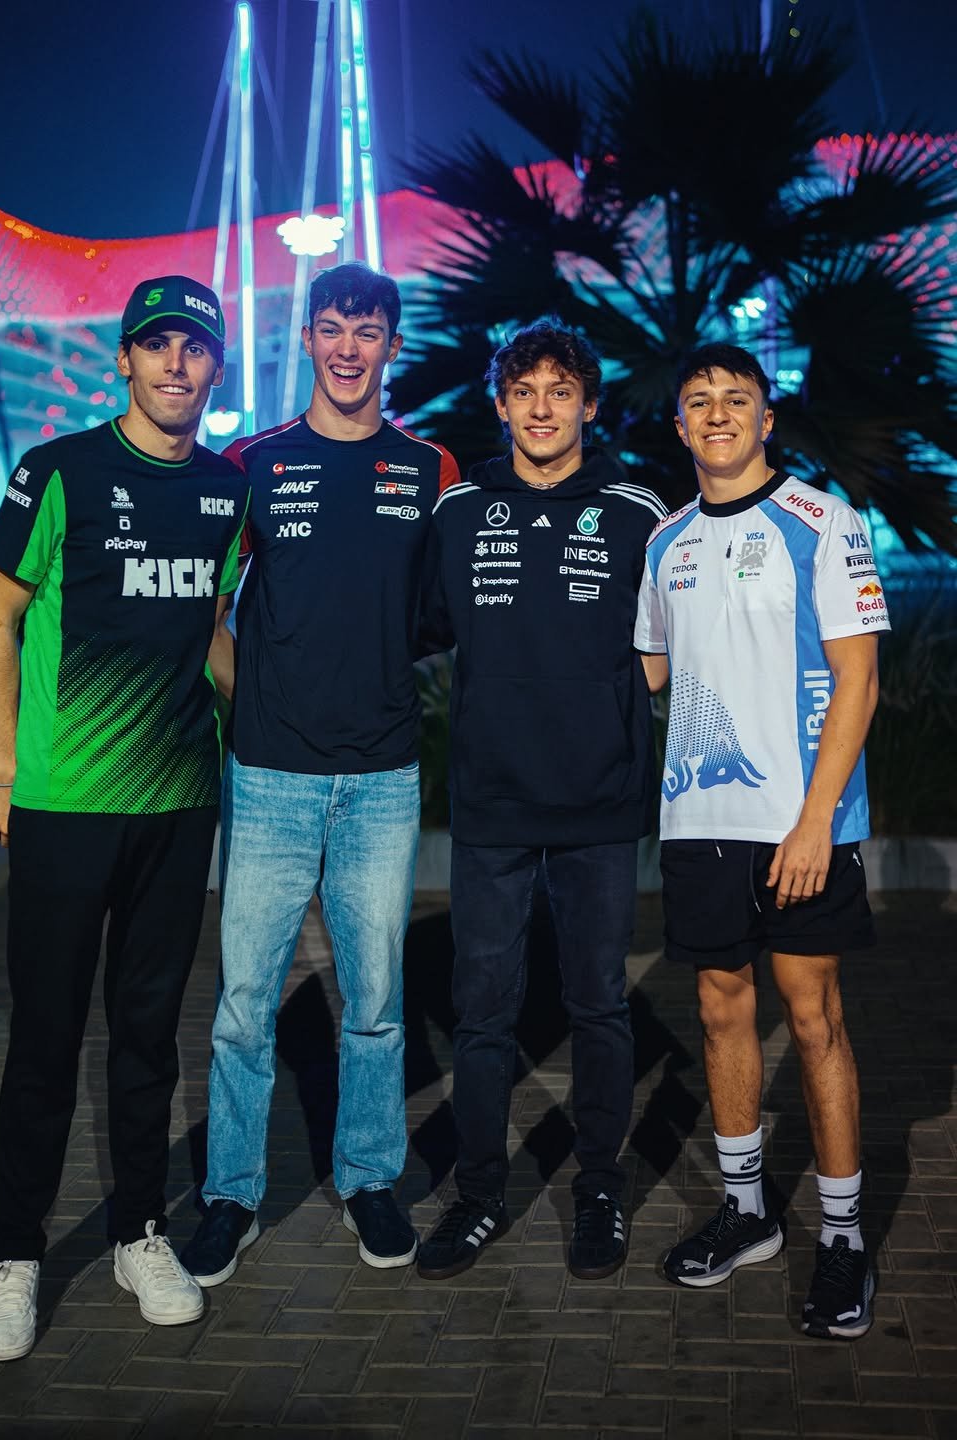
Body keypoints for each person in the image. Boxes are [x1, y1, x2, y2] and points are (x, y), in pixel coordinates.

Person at [0, 276, 249, 1363]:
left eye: (195, 350)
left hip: (178, 807)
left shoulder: (227, 493)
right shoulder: (60, 472)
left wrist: (272, 716)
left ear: (215, 368)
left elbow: (210, 633)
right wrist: (1, 767)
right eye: (157, 346)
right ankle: (12, 1257)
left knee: (146, 1039)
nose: (177, 365)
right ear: (124, 360)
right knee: (44, 1041)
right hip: (63, 805)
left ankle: (139, 1230)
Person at [182, 261, 460, 1284]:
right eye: (334, 328)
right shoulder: (252, 462)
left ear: (392, 346)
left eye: (370, 331)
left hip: (383, 779)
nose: (350, 348)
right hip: (270, 780)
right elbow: (205, 612)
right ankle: (229, 1197)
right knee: (246, 1001)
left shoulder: (431, 468)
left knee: (377, 997)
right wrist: (251, 701)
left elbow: (456, 608)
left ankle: (370, 1181)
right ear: (306, 338)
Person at [634, 342, 888, 1340]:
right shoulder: (665, 541)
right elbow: (648, 674)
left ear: (767, 417)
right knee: (718, 1007)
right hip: (700, 827)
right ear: (682, 424)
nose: (716, 414)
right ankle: (748, 1214)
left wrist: (818, 819)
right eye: (699, 402)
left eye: (736, 400)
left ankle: (840, 1236)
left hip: (799, 824)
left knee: (814, 1014)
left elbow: (858, 681)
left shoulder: (822, 523)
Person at [414, 318, 665, 1280]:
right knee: (483, 1010)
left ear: (589, 406)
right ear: (503, 403)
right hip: (491, 801)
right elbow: (419, 629)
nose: (544, 407)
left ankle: (598, 1188)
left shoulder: (639, 508)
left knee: (600, 1003)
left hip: (600, 801)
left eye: (562, 390)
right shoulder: (460, 508)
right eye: (526, 390)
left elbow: (676, 636)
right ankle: (480, 1196)